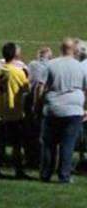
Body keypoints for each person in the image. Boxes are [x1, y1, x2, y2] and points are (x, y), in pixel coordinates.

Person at [39, 37, 87, 184]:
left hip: (53, 107)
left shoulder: (51, 65)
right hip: (73, 109)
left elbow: (41, 87)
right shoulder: (80, 67)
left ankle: (46, 173)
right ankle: (64, 175)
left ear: (61, 49)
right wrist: (85, 108)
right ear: (74, 50)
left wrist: (38, 104)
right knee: (68, 144)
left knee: (49, 143)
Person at [0, 42, 29, 179]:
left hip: (1, 111)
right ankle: (18, 170)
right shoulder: (17, 72)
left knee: (0, 142)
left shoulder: (0, 70)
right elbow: (26, 89)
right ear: (15, 54)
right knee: (17, 144)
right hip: (14, 112)